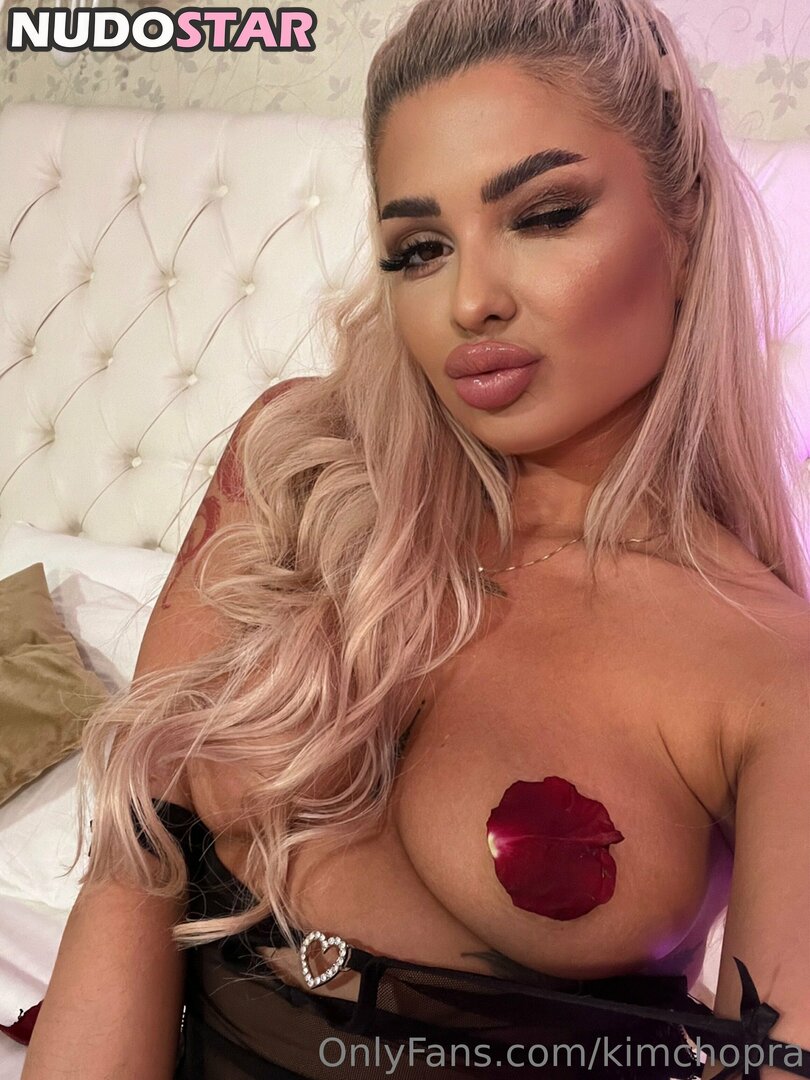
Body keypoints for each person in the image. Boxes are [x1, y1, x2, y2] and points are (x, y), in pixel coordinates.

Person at [22, 0, 810, 1078]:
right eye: (421, 249)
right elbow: (133, 866)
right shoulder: (298, 469)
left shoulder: (766, 670)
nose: (471, 300)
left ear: (683, 220)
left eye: (544, 215)